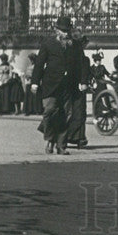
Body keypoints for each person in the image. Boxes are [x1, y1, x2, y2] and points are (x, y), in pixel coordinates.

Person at [31, 16, 88, 155]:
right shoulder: (48, 44)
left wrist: (83, 81)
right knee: (49, 111)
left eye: (68, 30)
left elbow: (82, 64)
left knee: (66, 114)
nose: (66, 33)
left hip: (68, 85)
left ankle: (61, 145)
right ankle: (50, 139)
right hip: (50, 84)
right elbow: (39, 64)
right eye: (63, 31)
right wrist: (34, 82)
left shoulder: (76, 45)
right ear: (56, 30)